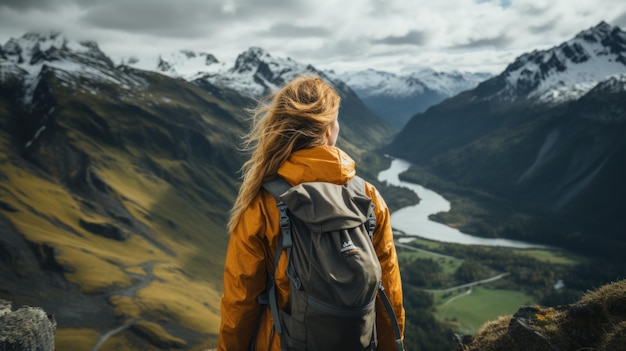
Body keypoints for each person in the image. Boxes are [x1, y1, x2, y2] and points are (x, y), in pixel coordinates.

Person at [218, 75, 405, 350]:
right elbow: (388, 293)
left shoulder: (262, 205)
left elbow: (240, 302)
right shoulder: (368, 198)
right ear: (328, 130)